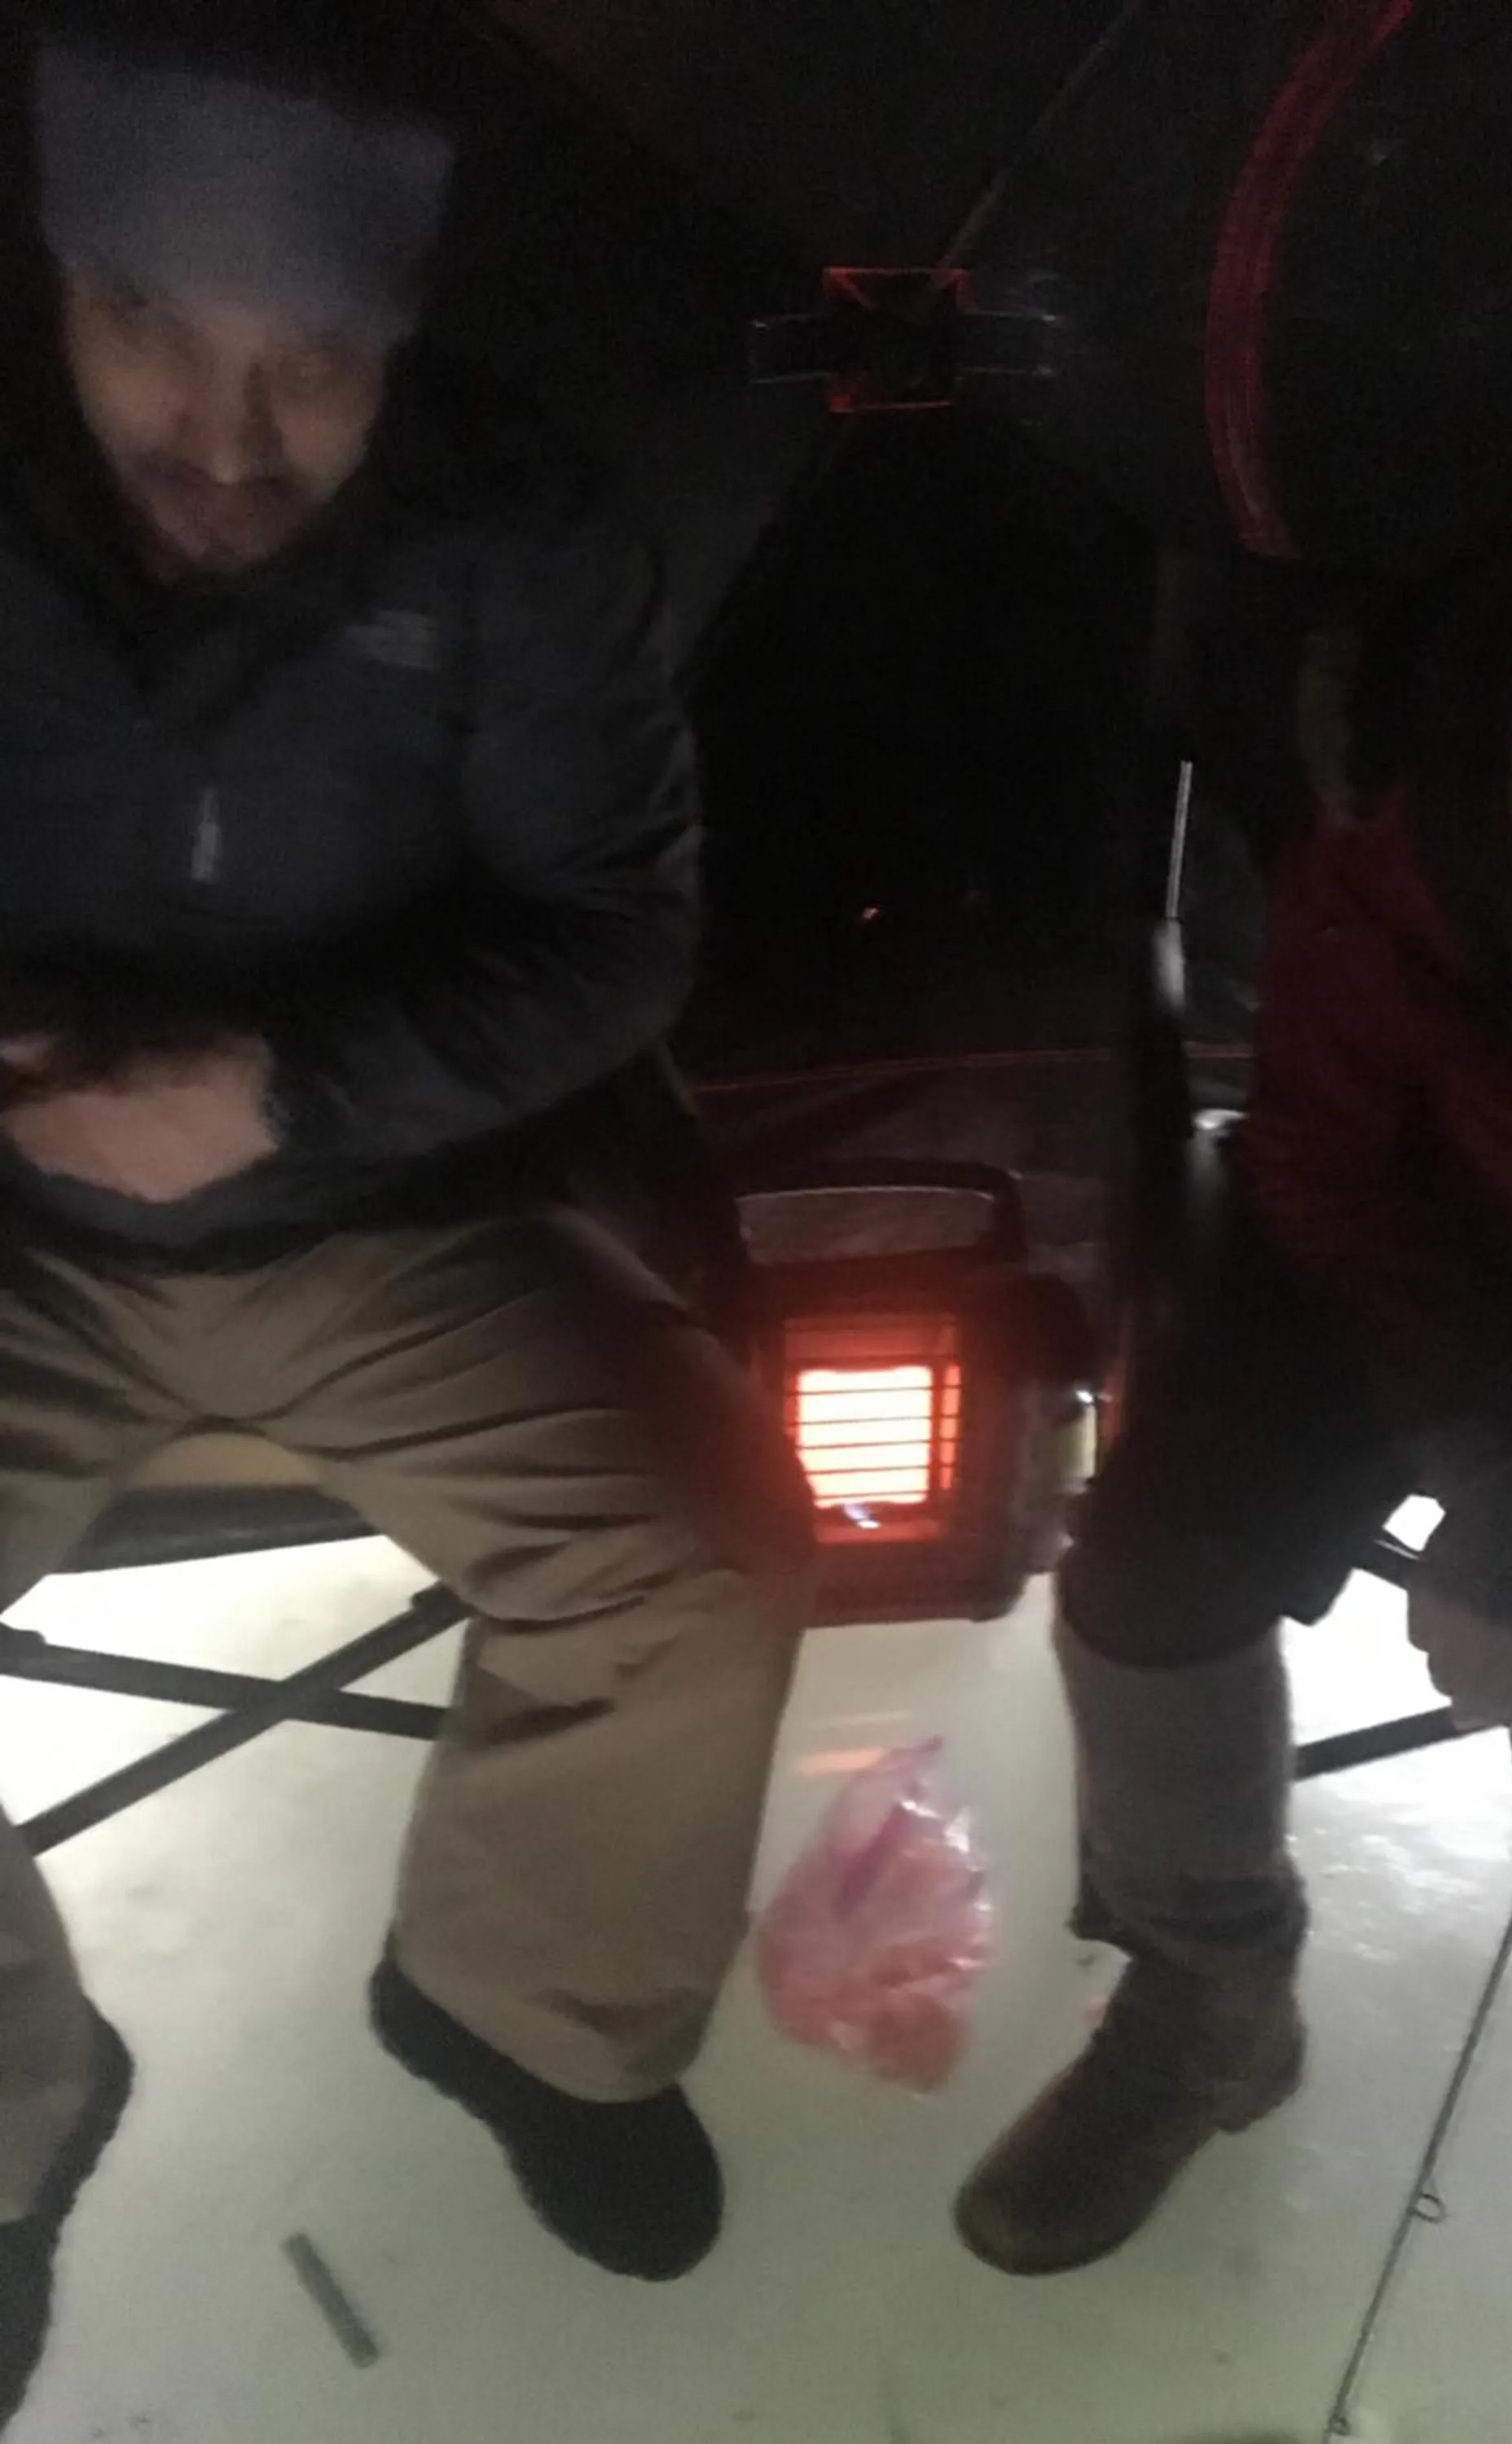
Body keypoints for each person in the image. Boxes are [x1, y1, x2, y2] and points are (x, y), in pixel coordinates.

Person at [0, 3, 807, 2418]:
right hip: (17, 1220)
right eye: (155, 329)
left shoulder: (522, 537)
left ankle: (519, 2010)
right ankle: (16, 2120)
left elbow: (620, 932)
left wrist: (290, 1085)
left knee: (709, 1558)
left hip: (386, 1209)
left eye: (311, 365)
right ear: (55, 271)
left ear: (404, 335)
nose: (227, 442)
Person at [953, 367, 1512, 2431]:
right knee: (1147, 1560)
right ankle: (1209, 1984)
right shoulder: (1405, 887)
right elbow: (1330, 1178)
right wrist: (1475, 1476)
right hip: (1445, 1295)